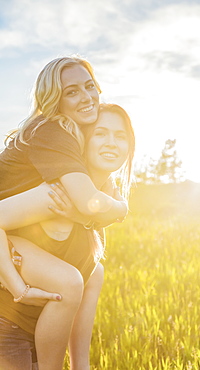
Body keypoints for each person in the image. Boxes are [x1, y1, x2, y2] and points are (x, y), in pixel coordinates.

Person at [0, 54, 135, 370]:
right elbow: (89, 202)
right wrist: (121, 208)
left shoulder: (76, 207)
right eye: (71, 91)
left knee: (86, 274)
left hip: (34, 333)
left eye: (89, 86)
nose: (86, 97)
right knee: (70, 281)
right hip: (8, 329)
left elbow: (89, 204)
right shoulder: (51, 137)